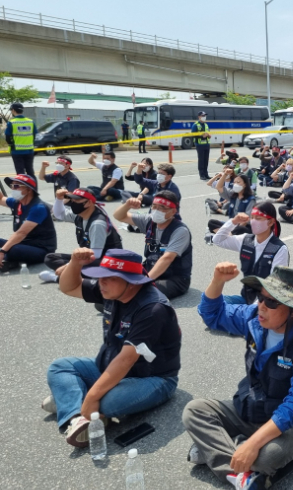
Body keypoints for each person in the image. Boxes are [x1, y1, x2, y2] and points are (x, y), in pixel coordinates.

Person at [183, 264, 293, 488]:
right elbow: (212, 315)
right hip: (251, 407)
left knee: (265, 457)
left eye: (272, 302)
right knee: (194, 411)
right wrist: (217, 280)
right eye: (260, 298)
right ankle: (242, 470)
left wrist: (253, 444)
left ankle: (224, 451)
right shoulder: (253, 318)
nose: (262, 307)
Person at [45, 248, 181, 448]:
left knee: (108, 401)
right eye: (100, 277)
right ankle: (77, 416)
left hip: (153, 378)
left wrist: (92, 396)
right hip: (110, 366)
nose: (102, 282)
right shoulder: (111, 290)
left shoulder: (153, 309)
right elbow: (68, 287)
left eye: (110, 278)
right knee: (60, 367)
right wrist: (74, 263)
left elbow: (127, 359)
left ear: (132, 280)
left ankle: (73, 399)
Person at [113, 190, 192, 299]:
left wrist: (144, 281)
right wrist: (127, 205)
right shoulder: (149, 221)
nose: (156, 210)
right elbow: (119, 216)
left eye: (162, 207)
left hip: (173, 278)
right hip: (150, 268)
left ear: (173, 211)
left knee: (137, 294)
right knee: (116, 282)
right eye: (154, 206)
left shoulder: (180, 230)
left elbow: (167, 258)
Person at [212, 202, 289, 304]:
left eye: (258, 218)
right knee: (211, 305)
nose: (253, 222)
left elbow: (275, 287)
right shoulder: (246, 240)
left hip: (267, 305)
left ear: (270, 222)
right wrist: (234, 222)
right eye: (252, 217)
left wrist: (251, 310)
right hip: (246, 300)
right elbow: (218, 240)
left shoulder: (279, 249)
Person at [40, 188, 123, 283]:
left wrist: (69, 266)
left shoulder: (97, 223)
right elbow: (59, 214)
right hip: (89, 257)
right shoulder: (80, 215)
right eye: (73, 199)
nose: (73, 202)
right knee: (50, 258)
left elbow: (95, 255)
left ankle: (60, 278)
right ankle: (74, 275)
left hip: (108, 261)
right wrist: (59, 199)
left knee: (86, 267)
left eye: (77, 200)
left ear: (89, 203)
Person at [0, 174, 57, 270]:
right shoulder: (18, 202)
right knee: (8, 246)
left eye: (16, 186)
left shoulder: (38, 207)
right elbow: (1, 199)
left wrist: (2, 251)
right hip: (24, 243)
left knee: (12, 250)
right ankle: (10, 260)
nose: (13, 189)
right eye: (12, 186)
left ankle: (8, 259)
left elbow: (21, 233)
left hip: (41, 249)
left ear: (29, 189)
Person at [4, 102, 37, 178]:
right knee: (30, 172)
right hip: (29, 150)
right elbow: (34, 135)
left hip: (17, 151)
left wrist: (11, 144)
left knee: (20, 173)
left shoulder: (11, 123)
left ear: (13, 110)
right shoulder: (30, 122)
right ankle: (33, 189)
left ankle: (23, 189)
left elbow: (7, 137)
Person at [193, 110, 212, 180]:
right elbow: (193, 135)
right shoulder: (195, 125)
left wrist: (209, 135)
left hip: (207, 144)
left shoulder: (206, 125)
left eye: (205, 116)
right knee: (201, 160)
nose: (204, 117)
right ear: (199, 117)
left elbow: (208, 132)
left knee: (206, 160)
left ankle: (206, 174)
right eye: (203, 116)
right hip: (200, 145)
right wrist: (202, 136)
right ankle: (201, 175)